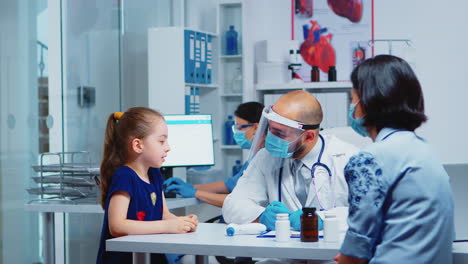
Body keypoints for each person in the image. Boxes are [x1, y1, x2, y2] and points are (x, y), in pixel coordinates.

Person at [335, 55, 454, 264]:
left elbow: (355, 254)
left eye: (352, 98)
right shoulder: (425, 151)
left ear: (367, 101)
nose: (352, 106)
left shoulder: (370, 159)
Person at [222, 90, 359, 233]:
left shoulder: (349, 158)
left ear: (309, 137)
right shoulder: (266, 158)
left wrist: (322, 219)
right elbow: (232, 205)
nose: (270, 138)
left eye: (280, 133)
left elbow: (370, 212)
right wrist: (261, 215)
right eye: (270, 129)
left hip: (332, 252)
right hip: (281, 252)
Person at [96, 107, 199, 264]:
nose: (168, 147)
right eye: (161, 141)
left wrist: (181, 223)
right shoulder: (124, 176)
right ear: (138, 145)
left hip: (149, 256)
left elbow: (163, 214)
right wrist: (167, 226)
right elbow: (117, 226)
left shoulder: (155, 174)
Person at [163, 102, 264, 208]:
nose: (237, 132)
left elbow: (238, 200)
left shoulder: (264, 158)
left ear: (256, 127)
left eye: (240, 127)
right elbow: (229, 185)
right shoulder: (254, 156)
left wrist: (195, 193)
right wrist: (191, 187)